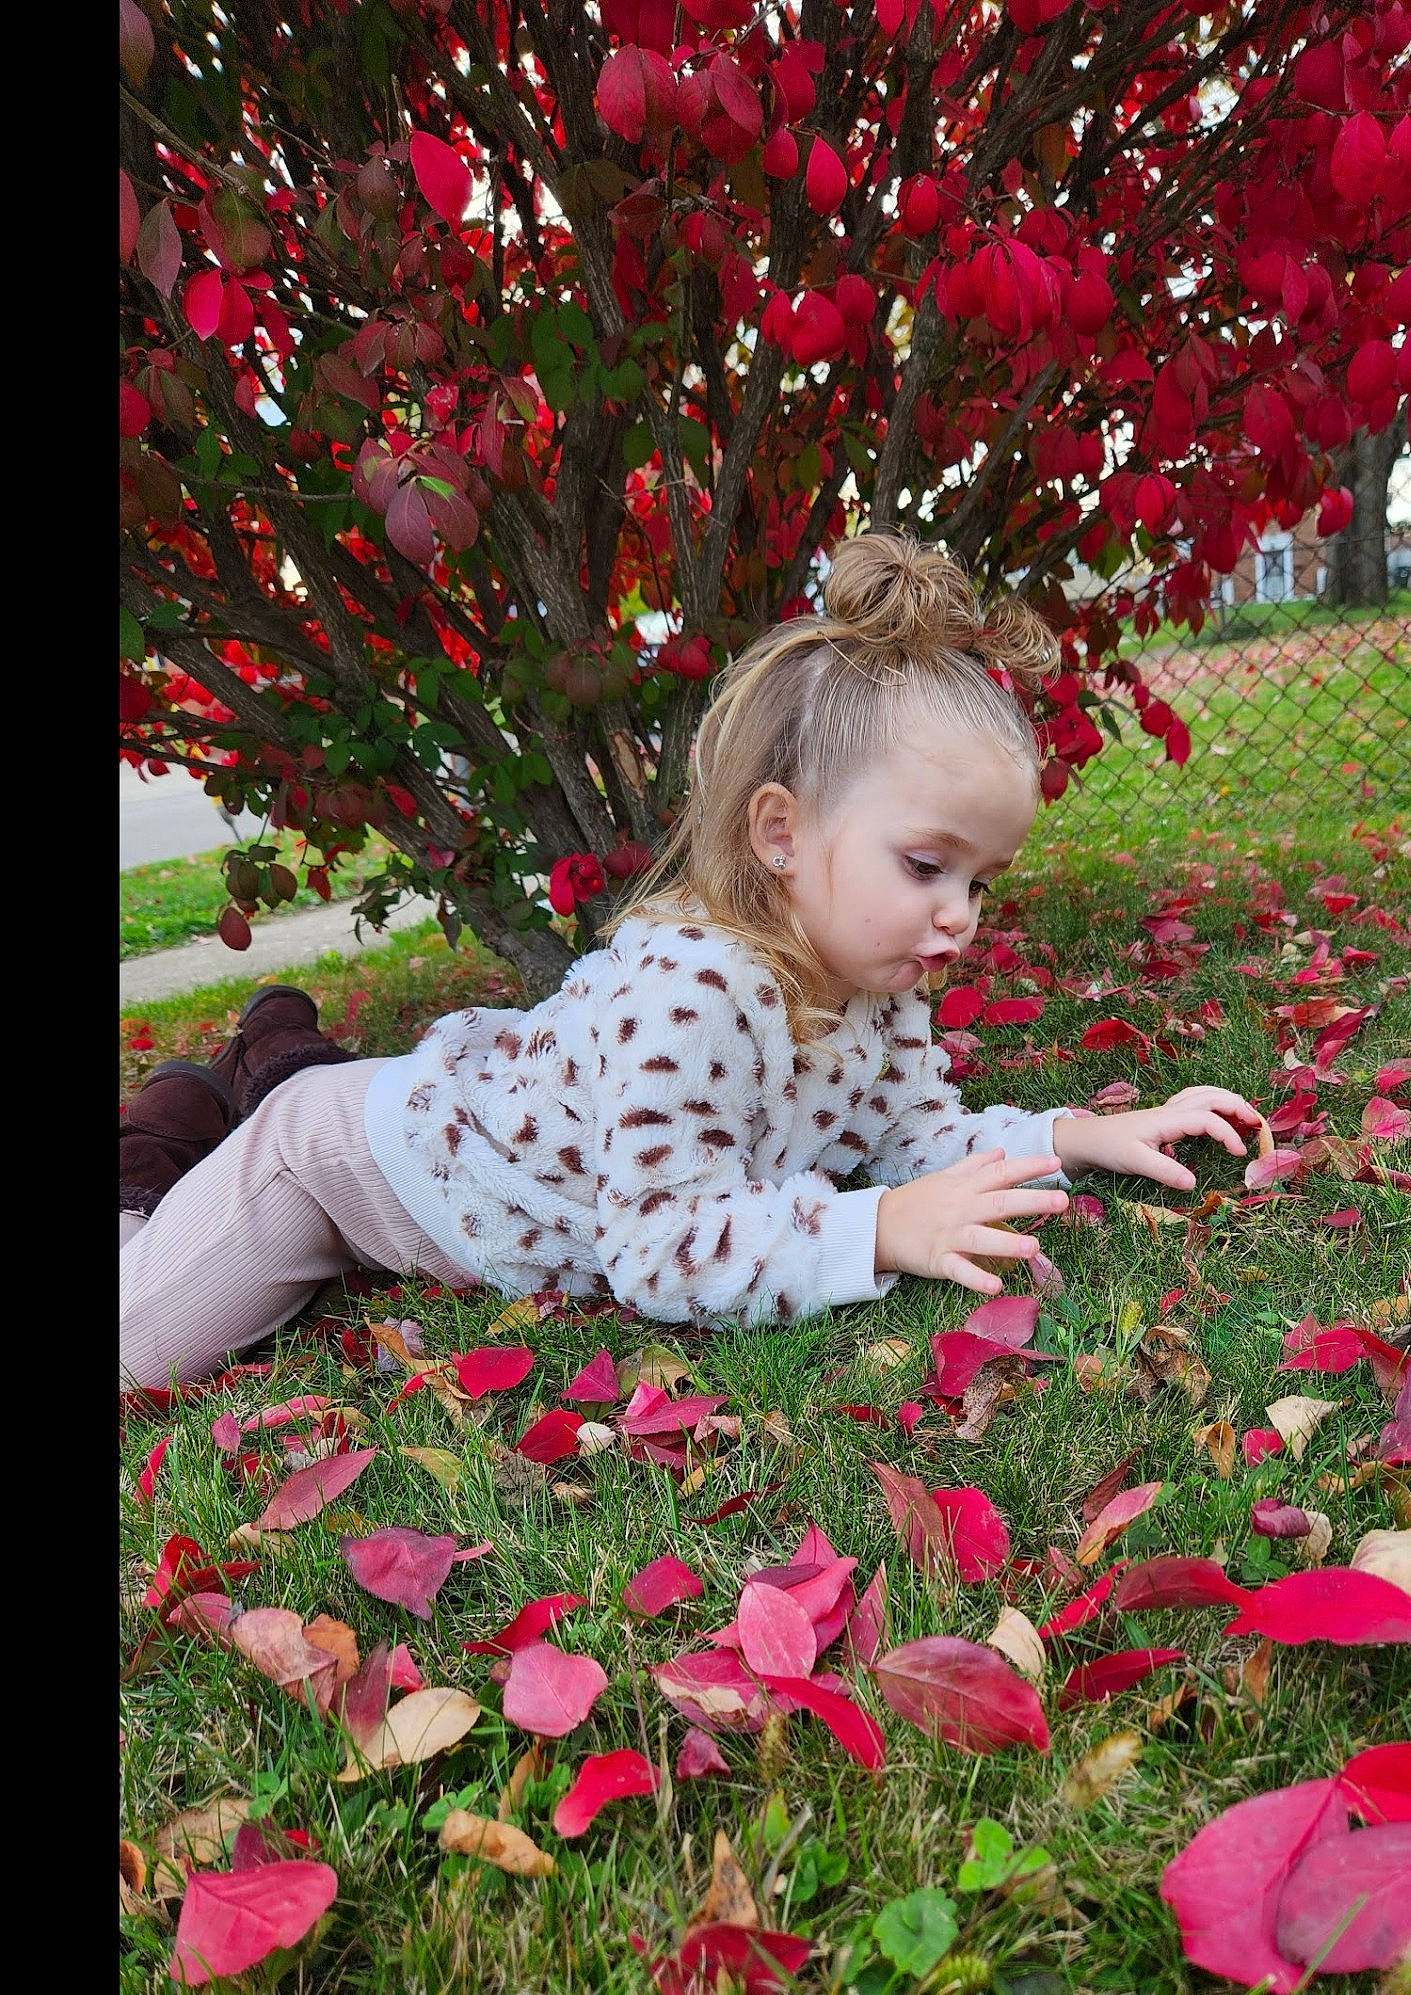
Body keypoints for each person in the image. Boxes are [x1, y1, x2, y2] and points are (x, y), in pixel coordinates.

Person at [119, 533, 1259, 1394]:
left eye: (979, 881)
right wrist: (877, 1229)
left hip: (459, 1129)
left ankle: (262, 1064)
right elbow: (657, 1247)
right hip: (344, 1167)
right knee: (136, 1346)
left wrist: (1078, 1135)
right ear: (780, 835)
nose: (958, 915)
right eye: (924, 864)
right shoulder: (696, 992)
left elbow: (915, 1135)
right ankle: (206, 1111)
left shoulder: (875, 986)